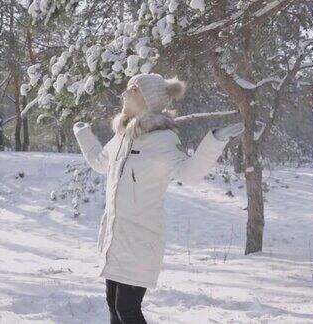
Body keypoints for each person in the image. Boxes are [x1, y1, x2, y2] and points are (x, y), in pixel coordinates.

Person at [72, 73, 244, 324]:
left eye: (132, 89)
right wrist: (83, 134)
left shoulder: (162, 139)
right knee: (113, 305)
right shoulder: (123, 136)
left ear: (147, 99)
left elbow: (190, 173)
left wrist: (215, 140)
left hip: (141, 240)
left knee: (127, 309)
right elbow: (100, 163)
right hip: (115, 237)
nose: (125, 93)